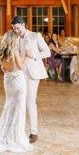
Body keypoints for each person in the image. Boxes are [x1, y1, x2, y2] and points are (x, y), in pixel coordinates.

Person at [0, 30, 33, 153]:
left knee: (9, 106)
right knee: (19, 108)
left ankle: (4, 133)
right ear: (13, 39)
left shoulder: (1, 51)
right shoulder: (14, 51)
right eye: (16, 38)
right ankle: (15, 137)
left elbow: (3, 68)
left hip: (8, 81)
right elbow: (21, 67)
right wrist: (28, 57)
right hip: (17, 80)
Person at [11, 16, 50, 144]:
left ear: (23, 24)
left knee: (30, 102)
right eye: (14, 29)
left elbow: (47, 52)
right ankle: (19, 130)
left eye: (18, 28)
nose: (16, 30)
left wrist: (34, 55)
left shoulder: (35, 36)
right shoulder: (15, 38)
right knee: (19, 101)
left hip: (33, 74)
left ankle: (34, 132)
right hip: (20, 73)